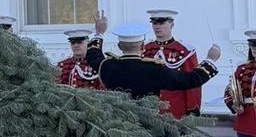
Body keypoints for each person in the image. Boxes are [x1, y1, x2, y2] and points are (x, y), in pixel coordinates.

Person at [85, 14, 220, 105]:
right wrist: (210, 59)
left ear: (120, 46)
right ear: (143, 46)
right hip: (148, 126)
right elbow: (190, 80)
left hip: (118, 124)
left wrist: (99, 32)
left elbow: (92, 54)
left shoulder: (107, 65)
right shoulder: (154, 69)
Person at [143, 9, 202, 120]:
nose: (157, 27)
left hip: (175, 108)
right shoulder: (145, 49)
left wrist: (192, 108)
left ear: (172, 24)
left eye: (161, 23)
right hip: (148, 108)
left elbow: (192, 82)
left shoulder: (184, 51)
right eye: (154, 23)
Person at [224, 30, 256, 137]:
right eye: (252, 46)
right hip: (247, 122)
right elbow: (229, 92)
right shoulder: (242, 68)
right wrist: (235, 106)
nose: (254, 49)